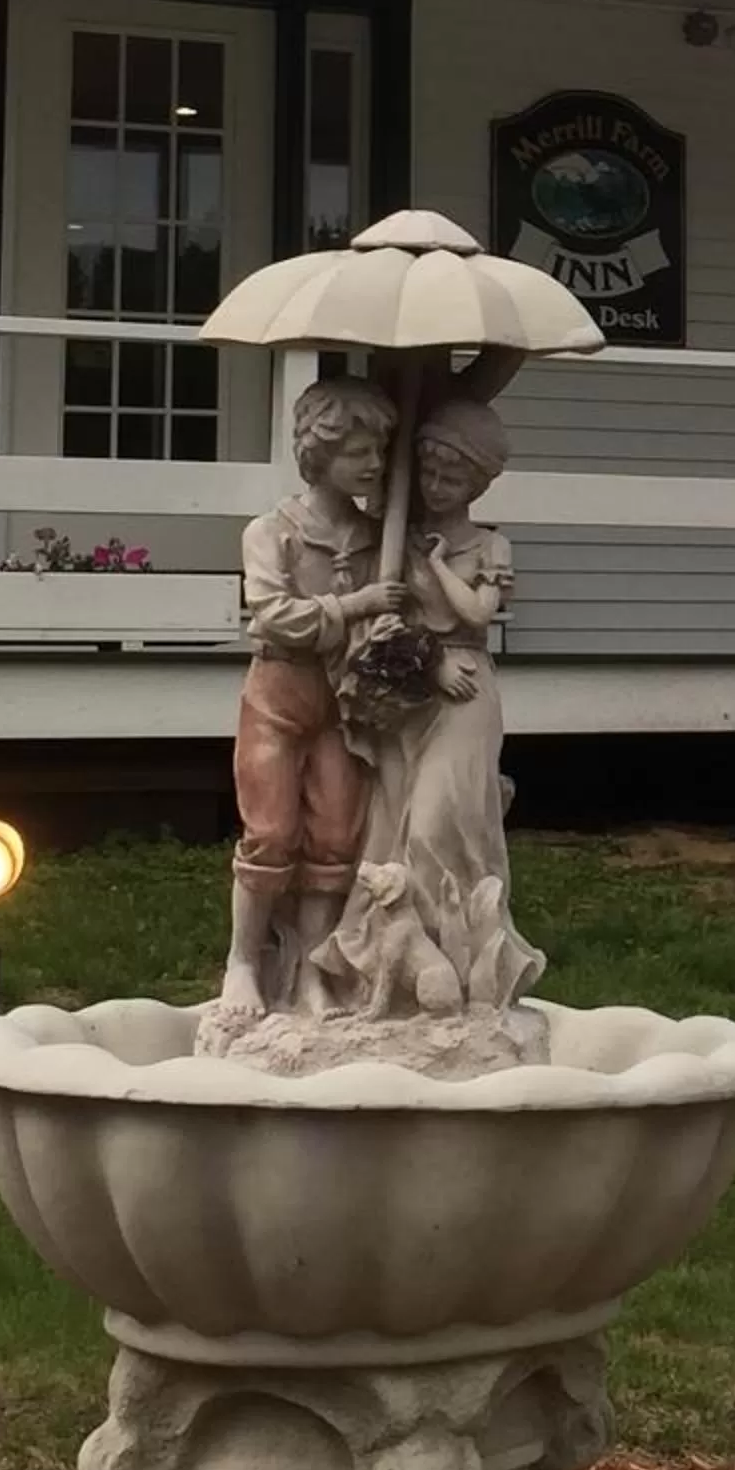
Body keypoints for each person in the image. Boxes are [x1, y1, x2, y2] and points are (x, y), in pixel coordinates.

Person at [313, 388, 544, 1019]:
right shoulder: (398, 537)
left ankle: (471, 963)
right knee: (392, 828)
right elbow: (383, 619)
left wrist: (437, 566)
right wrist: (421, 653)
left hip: (467, 691)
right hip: (411, 686)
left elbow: (475, 615)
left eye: (455, 475)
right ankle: (388, 973)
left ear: (479, 481)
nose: (439, 484)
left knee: (444, 822)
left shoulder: (491, 548)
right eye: (432, 471)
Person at [219, 375, 406, 1020]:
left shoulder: (379, 537)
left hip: (344, 699)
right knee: (271, 831)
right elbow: (275, 615)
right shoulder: (271, 533)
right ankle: (243, 962)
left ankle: (312, 973)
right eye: (360, 453)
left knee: (334, 837)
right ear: (319, 452)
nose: (374, 465)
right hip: (280, 692)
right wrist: (356, 605)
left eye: (379, 453)